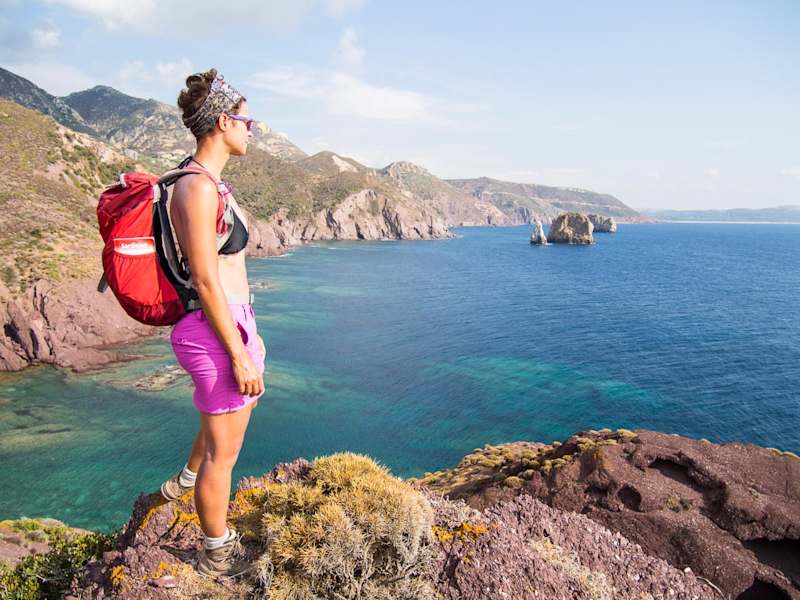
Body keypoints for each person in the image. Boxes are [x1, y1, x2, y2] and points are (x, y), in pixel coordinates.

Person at [159, 68, 266, 578]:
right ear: (224, 122)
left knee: (217, 440)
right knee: (224, 456)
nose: (253, 128)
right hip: (212, 328)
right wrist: (240, 352)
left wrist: (248, 335)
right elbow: (205, 280)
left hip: (230, 323)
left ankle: (184, 478)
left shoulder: (208, 184)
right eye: (247, 120)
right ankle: (217, 555)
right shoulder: (197, 190)